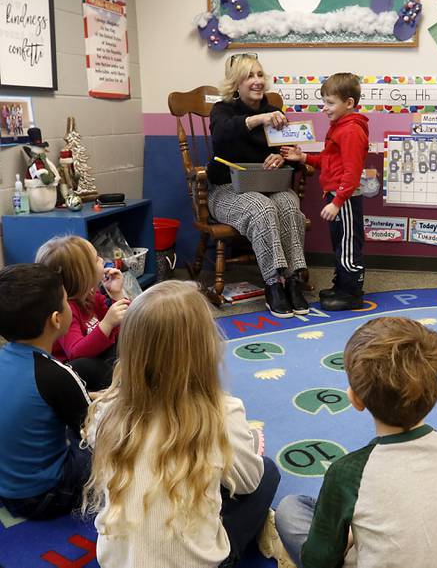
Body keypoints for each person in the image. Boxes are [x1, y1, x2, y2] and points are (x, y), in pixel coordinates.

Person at [82, 280, 280, 568]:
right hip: (199, 562)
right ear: (205, 349)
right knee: (269, 472)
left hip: (117, 563)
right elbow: (249, 481)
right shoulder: (221, 411)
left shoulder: (107, 410)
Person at [273, 317, 437, 568]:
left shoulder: (348, 473)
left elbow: (319, 561)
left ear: (355, 399)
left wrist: (350, 537)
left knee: (290, 508)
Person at [207, 53, 309, 318]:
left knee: (288, 203)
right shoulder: (222, 109)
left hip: (269, 184)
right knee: (262, 208)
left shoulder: (275, 112)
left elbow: (291, 157)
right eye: (249, 76)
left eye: (260, 74)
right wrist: (258, 120)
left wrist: (282, 156)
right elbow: (221, 135)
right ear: (236, 84)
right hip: (228, 190)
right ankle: (274, 283)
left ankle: (294, 279)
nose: (257, 81)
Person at [0, 264, 92, 519]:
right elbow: (94, 430)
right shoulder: (56, 375)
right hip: (45, 496)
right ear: (56, 318)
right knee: (105, 441)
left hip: (6, 488)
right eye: (66, 300)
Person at [282, 72, 369, 311]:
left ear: (348, 103)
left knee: (348, 246)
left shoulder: (351, 131)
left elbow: (351, 172)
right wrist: (304, 157)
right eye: (324, 102)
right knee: (341, 244)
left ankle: (352, 293)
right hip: (338, 196)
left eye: (330, 103)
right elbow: (331, 162)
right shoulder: (340, 128)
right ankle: (342, 285)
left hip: (346, 199)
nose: (324, 108)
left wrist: (338, 201)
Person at [35, 235, 129, 390]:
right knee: (82, 365)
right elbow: (75, 353)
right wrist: (106, 323)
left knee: (129, 342)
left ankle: (130, 376)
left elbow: (123, 329)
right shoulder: (65, 311)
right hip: (78, 370)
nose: (102, 260)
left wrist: (117, 295)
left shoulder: (92, 296)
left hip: (102, 357)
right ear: (83, 274)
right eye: (97, 258)